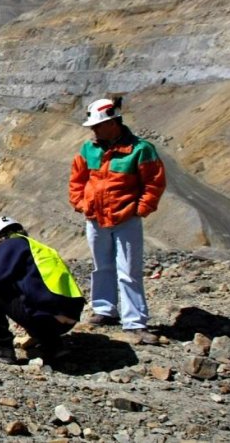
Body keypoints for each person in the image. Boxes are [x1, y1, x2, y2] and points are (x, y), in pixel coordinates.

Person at [69, 97, 166, 342]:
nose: (94, 130)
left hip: (126, 219)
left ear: (113, 122)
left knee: (129, 270)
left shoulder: (140, 149)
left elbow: (154, 183)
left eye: (97, 125)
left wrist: (141, 209)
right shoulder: (89, 149)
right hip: (95, 218)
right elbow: (77, 180)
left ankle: (134, 321)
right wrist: (81, 204)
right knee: (102, 266)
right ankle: (104, 310)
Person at [0, 216, 85, 363]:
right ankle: (53, 345)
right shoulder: (39, 248)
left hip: (47, 320)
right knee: (33, 303)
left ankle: (1, 345)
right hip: (69, 318)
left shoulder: (11, 243)